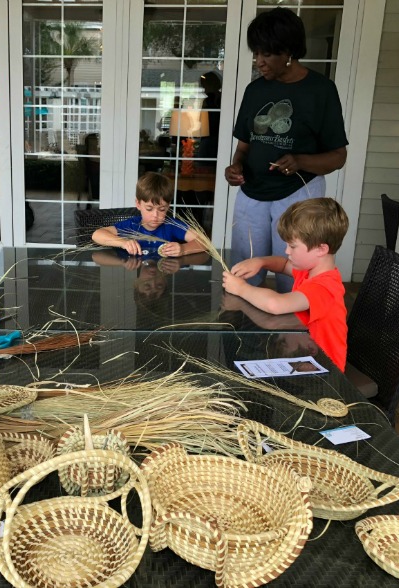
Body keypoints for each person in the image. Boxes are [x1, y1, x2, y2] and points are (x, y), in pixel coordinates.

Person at [225, 7, 348, 293]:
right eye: (256, 54)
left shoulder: (321, 91)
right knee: (244, 271)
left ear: (288, 52)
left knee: (294, 276)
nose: (259, 62)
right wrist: (236, 167)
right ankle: (241, 330)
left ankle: (291, 336)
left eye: (266, 54)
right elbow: (243, 146)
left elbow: (338, 157)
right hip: (252, 195)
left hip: (298, 196)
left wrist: (300, 160)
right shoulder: (255, 91)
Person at [222, 197, 349, 371]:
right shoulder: (310, 271)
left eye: (293, 246)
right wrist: (261, 262)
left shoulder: (324, 288)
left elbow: (275, 304)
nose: (287, 251)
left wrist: (241, 288)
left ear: (321, 249)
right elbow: (282, 265)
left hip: (324, 372)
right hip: (304, 356)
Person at [91, 172, 204, 257]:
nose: (155, 215)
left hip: (164, 271)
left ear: (168, 206)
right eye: (149, 209)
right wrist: (123, 242)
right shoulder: (131, 225)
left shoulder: (171, 226)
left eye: (162, 209)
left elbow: (204, 242)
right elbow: (97, 235)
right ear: (138, 204)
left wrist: (183, 249)